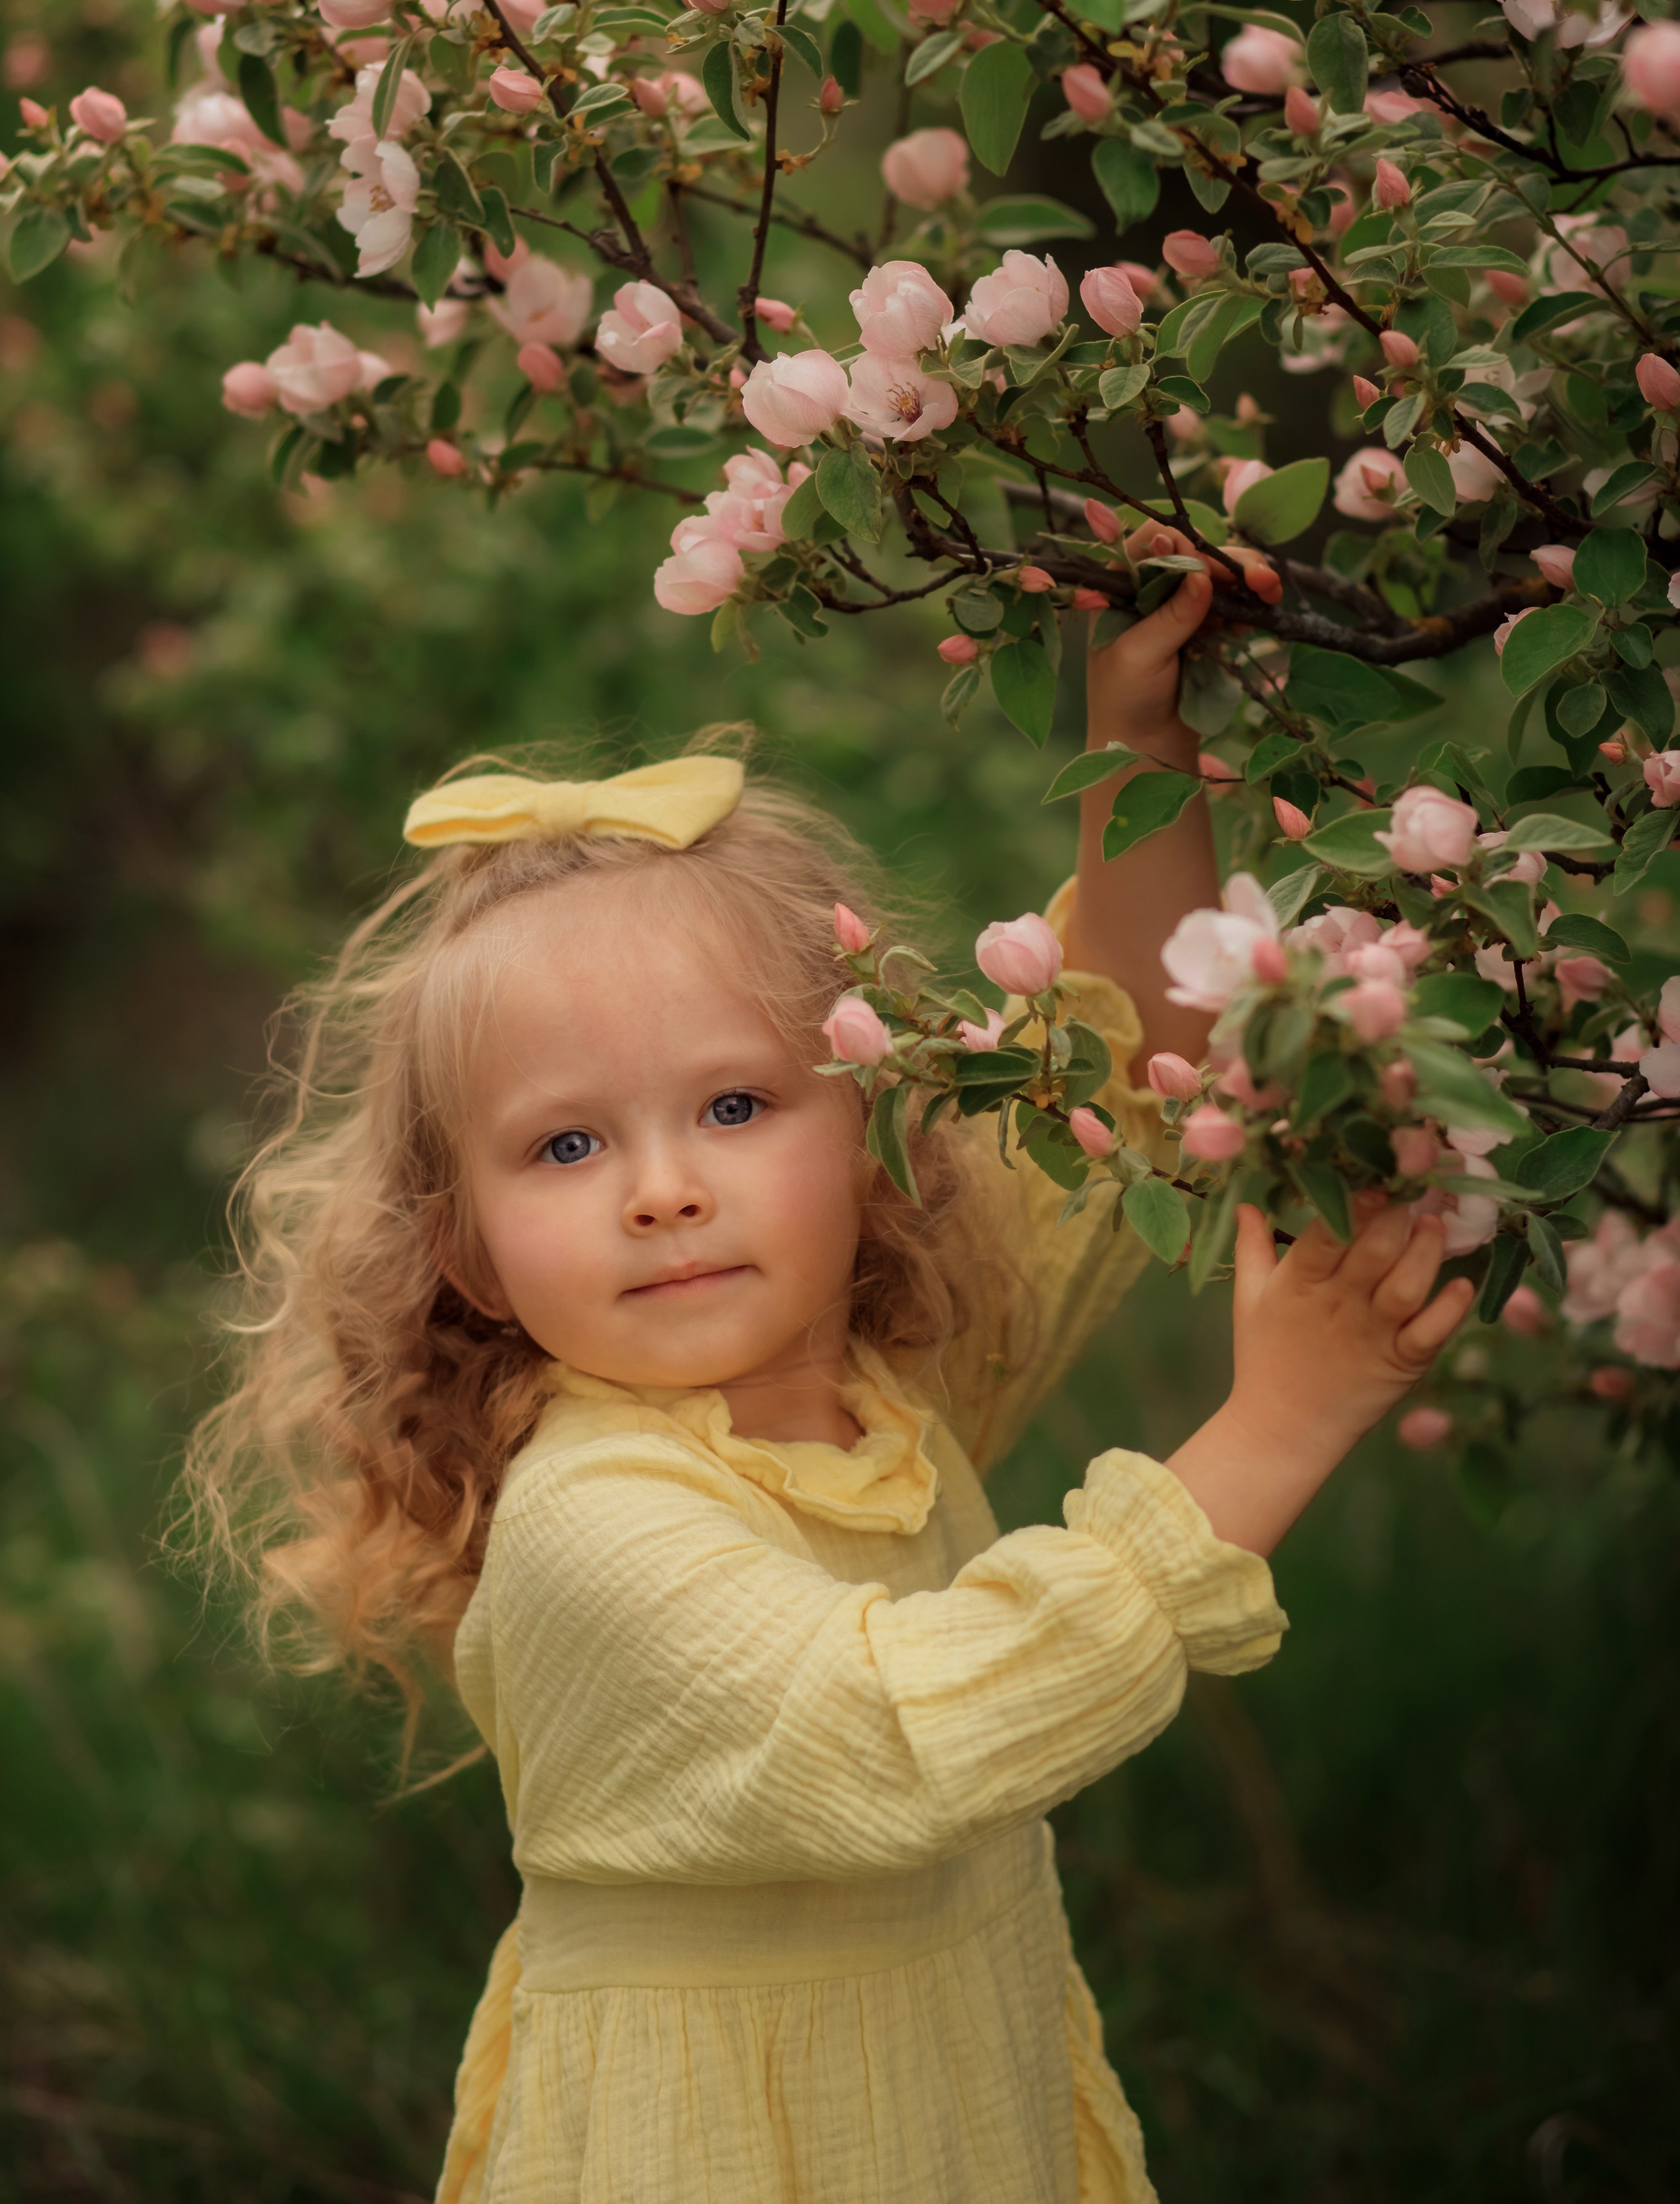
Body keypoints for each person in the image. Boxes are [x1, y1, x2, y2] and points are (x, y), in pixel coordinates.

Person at [187, 540, 1474, 2204]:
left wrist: (1138, 745)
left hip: (944, 2117)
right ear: (464, 1250)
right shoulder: (594, 1519)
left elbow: (1123, 1070)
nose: (663, 1187)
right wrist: (1277, 1426)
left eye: (732, 1107)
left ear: (869, 1128)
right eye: (568, 1143)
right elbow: (909, 1734)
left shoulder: (866, 1393)